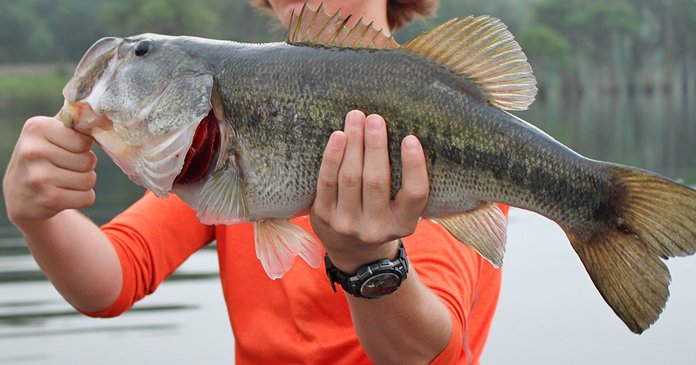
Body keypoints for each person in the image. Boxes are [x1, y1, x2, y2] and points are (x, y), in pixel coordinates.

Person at [2, 0, 506, 364]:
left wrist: (368, 264)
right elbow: (111, 279)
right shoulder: (217, 153)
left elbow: (432, 356)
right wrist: (38, 216)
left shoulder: (433, 118)